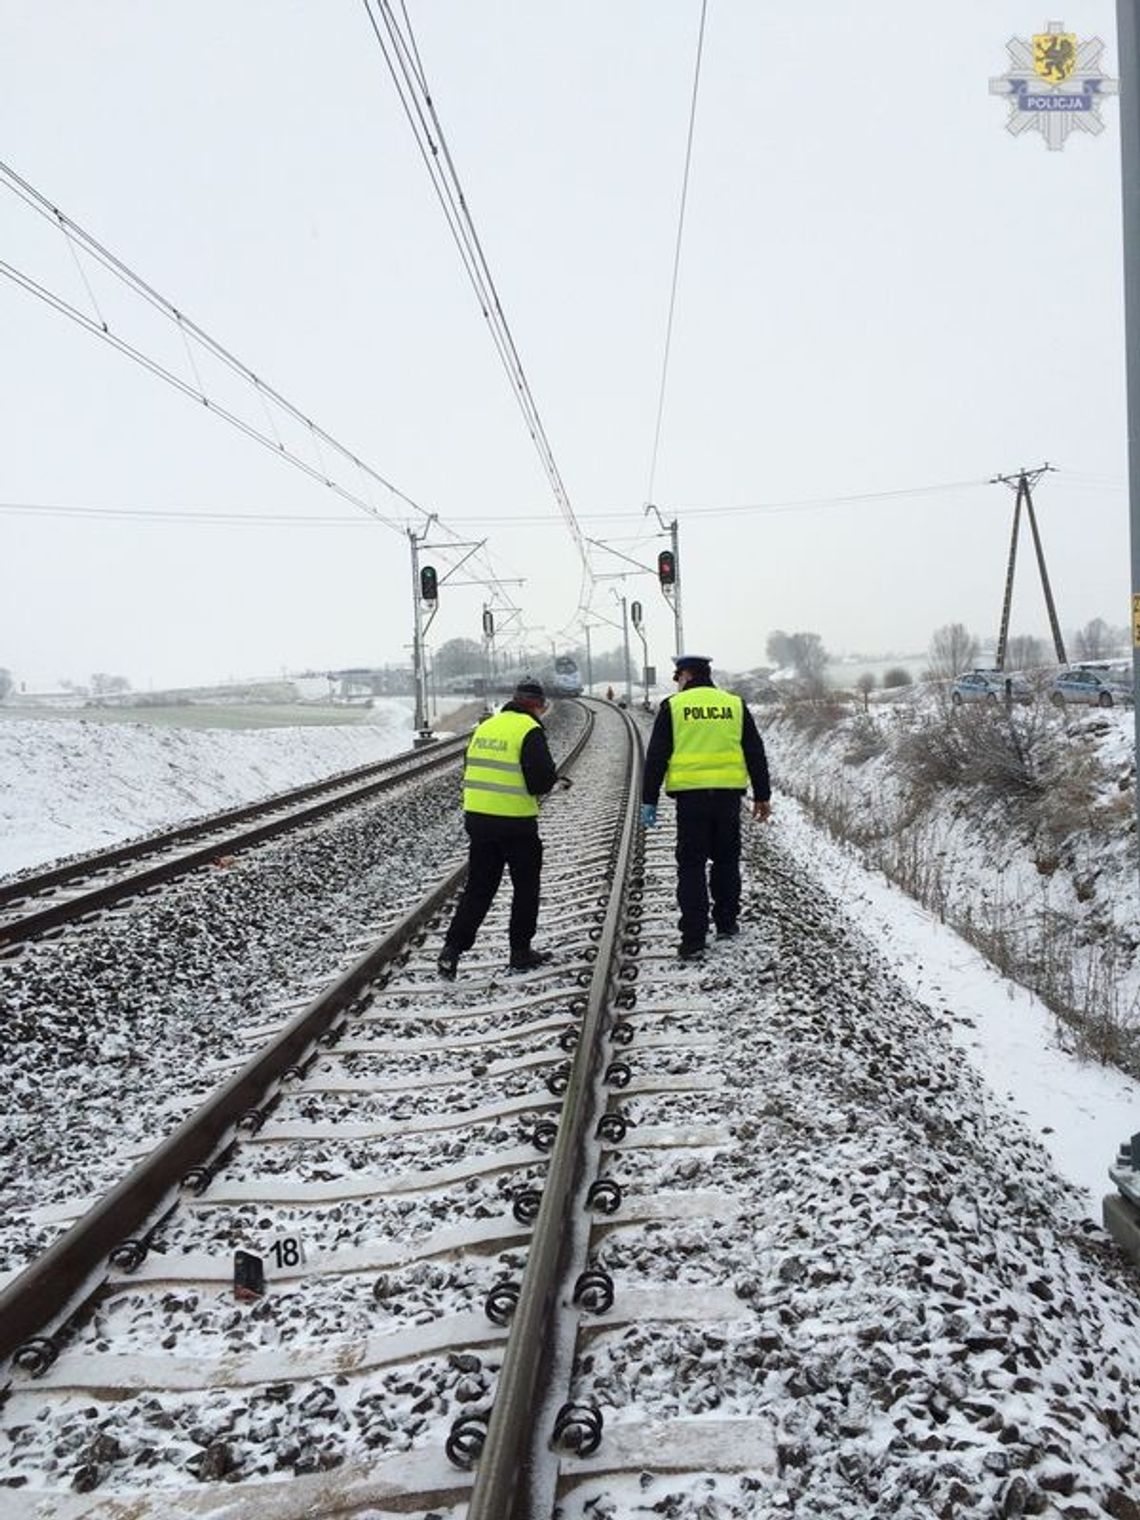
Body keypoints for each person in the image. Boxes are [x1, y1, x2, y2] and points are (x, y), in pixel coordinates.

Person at [641, 653, 771, 960]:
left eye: (677, 677)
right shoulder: (734, 705)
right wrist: (762, 795)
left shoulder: (674, 707)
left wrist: (649, 799)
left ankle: (694, 938)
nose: (677, 683)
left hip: (691, 801)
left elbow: (657, 756)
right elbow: (754, 751)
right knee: (726, 860)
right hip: (728, 799)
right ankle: (727, 922)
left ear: (686, 674)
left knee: (692, 865)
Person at [438, 676, 560, 977]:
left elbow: (474, 769)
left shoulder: (485, 726)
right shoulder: (529, 729)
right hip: (516, 824)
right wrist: (553, 782)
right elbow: (541, 781)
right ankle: (520, 951)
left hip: (478, 821)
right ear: (538, 707)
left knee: (479, 888)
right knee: (525, 888)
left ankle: (451, 950)